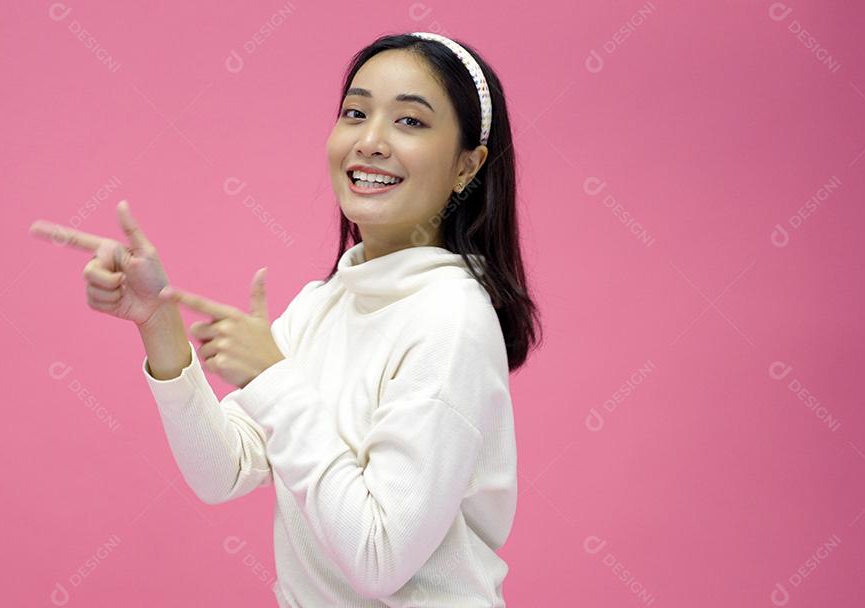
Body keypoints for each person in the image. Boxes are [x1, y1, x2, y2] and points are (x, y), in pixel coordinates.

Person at [31, 31, 542, 607]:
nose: (370, 141)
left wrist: (273, 379)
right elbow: (223, 471)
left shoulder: (452, 321)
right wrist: (158, 323)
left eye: (410, 122)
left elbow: (379, 557)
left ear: (467, 167)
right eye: (355, 112)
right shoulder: (323, 304)